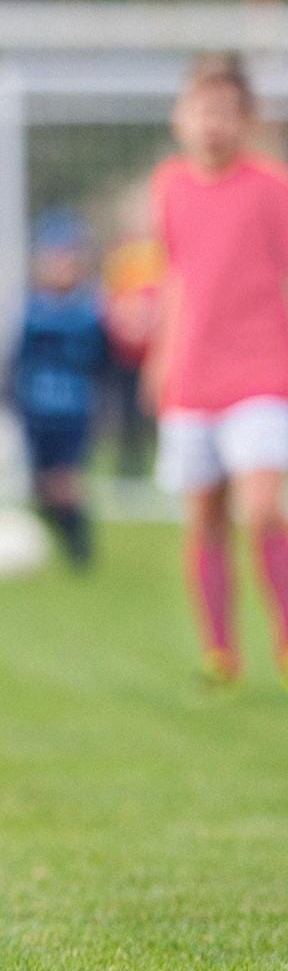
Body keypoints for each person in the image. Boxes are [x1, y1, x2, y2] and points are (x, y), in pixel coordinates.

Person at [148, 54, 288, 686]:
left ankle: (285, 638)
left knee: (260, 507)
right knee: (203, 514)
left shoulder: (272, 189)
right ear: (182, 118)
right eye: (201, 110)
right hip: (192, 378)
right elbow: (178, 278)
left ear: (247, 120)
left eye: (225, 112)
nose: (212, 124)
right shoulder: (169, 187)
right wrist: (160, 355)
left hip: (262, 371)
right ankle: (220, 653)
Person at [8, 209, 109, 569]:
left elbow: (105, 362)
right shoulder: (30, 309)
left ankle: (81, 554)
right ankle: (63, 536)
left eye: (70, 256)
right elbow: (13, 362)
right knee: (40, 487)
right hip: (36, 412)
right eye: (56, 257)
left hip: (73, 412)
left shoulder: (92, 309)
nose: (63, 265)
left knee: (67, 481)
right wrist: (8, 402)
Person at [98, 193, 164, 480]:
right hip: (126, 352)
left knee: (160, 414)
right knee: (127, 413)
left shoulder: (163, 253)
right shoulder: (121, 256)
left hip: (158, 351)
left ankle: (164, 470)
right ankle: (130, 471)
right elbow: (111, 300)